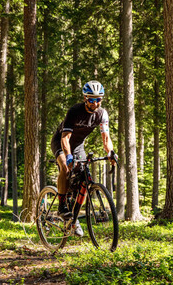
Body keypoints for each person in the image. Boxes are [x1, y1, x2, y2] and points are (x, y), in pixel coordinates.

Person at [51, 80, 116, 237]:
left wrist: (111, 153)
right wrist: (68, 156)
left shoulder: (102, 114)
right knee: (66, 169)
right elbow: (65, 138)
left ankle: (73, 219)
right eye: (91, 100)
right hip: (61, 142)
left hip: (78, 146)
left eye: (98, 99)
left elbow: (106, 139)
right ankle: (61, 207)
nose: (95, 103)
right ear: (85, 99)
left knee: (84, 180)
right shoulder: (75, 111)